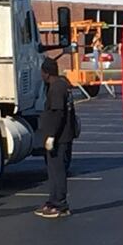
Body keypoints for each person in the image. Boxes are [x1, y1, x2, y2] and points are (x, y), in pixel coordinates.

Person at [35, 58, 75, 218]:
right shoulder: (62, 84)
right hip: (62, 135)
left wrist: (52, 135)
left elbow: (58, 113)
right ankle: (53, 200)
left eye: (42, 72)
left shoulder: (57, 89)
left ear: (46, 73)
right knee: (52, 170)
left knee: (57, 171)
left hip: (59, 137)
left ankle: (60, 204)